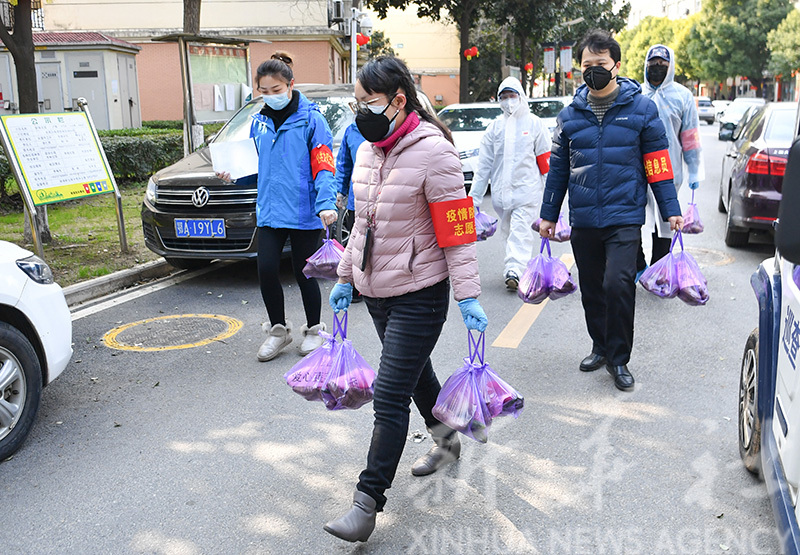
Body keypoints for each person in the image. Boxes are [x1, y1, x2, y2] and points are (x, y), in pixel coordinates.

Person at [324, 55, 487, 543]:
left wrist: (468, 297)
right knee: (416, 377)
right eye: (357, 103)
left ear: (398, 101)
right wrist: (345, 276)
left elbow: (457, 233)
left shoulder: (435, 153)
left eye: (368, 102)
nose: (361, 112)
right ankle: (448, 440)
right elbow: (362, 227)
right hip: (378, 291)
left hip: (420, 294)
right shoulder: (370, 149)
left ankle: (366, 502)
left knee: (389, 395)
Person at [538, 30, 683, 392]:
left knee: (618, 283)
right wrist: (548, 215)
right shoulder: (570, 115)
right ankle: (600, 346)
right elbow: (558, 170)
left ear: (616, 65)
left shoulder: (641, 110)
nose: (592, 71)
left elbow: (658, 164)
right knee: (592, 289)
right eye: (587, 66)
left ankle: (619, 359)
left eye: (599, 65)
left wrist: (671, 209)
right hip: (585, 217)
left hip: (624, 215)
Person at [218, 51, 338, 361]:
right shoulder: (258, 122)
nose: (271, 97)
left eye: (277, 90)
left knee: (304, 273)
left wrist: (325, 203)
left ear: (290, 85)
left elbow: (323, 165)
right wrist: (235, 176)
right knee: (267, 269)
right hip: (270, 210)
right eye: (265, 91)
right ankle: (278, 330)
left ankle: (314, 330)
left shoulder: (313, 120)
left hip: (303, 210)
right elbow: (259, 167)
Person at [469, 76, 552, 290]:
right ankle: (516, 265)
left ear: (521, 96)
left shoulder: (534, 124)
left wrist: (552, 198)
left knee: (519, 230)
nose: (508, 101)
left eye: (512, 95)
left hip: (527, 192)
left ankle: (514, 269)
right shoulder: (494, 128)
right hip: (500, 196)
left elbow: (546, 162)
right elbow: (483, 166)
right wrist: (474, 198)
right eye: (503, 97)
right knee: (508, 231)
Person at [636, 44, 704, 277]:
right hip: (635, 169)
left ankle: (659, 265)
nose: (656, 69)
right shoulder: (635, 93)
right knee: (632, 215)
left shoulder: (682, 97)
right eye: (652, 64)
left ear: (670, 67)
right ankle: (637, 263)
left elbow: (690, 137)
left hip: (668, 169)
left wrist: (694, 170)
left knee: (665, 220)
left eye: (662, 65)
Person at [333, 119, 366, 302]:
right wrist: (341, 191)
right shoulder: (352, 130)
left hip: (386, 200)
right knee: (356, 247)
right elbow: (344, 163)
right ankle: (355, 287)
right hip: (357, 200)